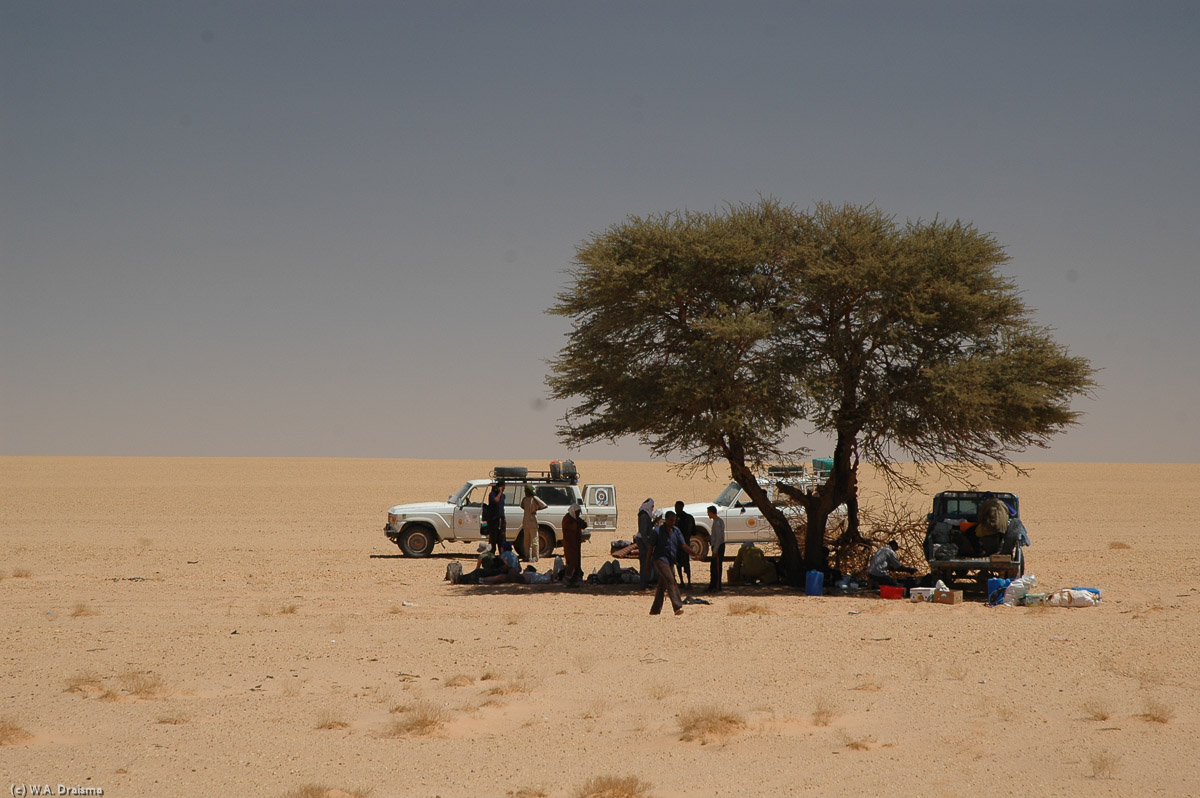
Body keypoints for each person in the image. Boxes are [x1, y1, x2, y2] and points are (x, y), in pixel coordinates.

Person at [650, 511, 691, 616]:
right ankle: (677, 606)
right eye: (671, 520)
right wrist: (647, 564)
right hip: (660, 559)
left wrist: (694, 553)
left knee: (662, 585)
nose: (673, 522)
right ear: (666, 520)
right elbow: (650, 548)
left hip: (670, 560)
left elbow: (683, 545)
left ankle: (655, 610)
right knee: (670, 580)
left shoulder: (676, 531)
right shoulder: (657, 531)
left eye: (674, 520)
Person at [519, 485, 548, 562]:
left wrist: (536, 509)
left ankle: (535, 557)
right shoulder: (524, 499)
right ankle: (527, 556)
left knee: (534, 541)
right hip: (525, 522)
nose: (525, 492)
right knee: (526, 541)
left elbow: (544, 505)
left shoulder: (534, 498)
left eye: (526, 490)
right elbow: (522, 506)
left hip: (532, 522)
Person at [561, 503, 587, 586]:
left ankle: (575, 578)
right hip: (569, 544)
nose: (578, 514)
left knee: (576, 561)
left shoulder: (574, 518)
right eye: (577, 512)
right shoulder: (567, 519)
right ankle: (567, 579)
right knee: (572, 561)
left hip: (575, 544)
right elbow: (571, 528)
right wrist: (578, 523)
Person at [673, 501, 694, 588]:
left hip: (684, 544)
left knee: (685, 564)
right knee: (678, 564)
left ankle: (688, 582)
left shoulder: (687, 518)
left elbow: (692, 531)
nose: (676, 509)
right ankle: (682, 581)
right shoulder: (675, 517)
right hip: (678, 544)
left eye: (677, 507)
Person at [636, 498, 656, 589]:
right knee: (644, 563)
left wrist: (655, 521)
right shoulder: (643, 515)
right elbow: (643, 532)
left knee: (647, 563)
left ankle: (646, 582)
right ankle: (643, 584)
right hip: (643, 541)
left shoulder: (646, 514)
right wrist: (647, 544)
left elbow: (648, 526)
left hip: (644, 540)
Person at [704, 505, 726, 593]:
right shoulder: (718, 521)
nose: (708, 514)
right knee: (713, 567)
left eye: (708, 512)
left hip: (718, 547)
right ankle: (713, 585)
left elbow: (719, 538)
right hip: (717, 546)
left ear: (712, 513)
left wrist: (715, 550)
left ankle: (717, 586)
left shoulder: (717, 523)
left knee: (717, 567)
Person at [485, 481, 507, 554]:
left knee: (502, 539)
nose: (503, 489)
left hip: (501, 520)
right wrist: (500, 493)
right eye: (502, 487)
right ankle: (492, 554)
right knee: (493, 539)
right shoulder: (492, 494)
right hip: (493, 520)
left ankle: (502, 555)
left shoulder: (503, 496)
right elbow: (495, 502)